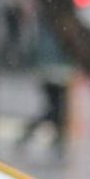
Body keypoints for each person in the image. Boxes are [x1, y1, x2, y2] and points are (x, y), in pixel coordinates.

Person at [17, 14, 73, 154]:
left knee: (56, 108)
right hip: (57, 69)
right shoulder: (60, 20)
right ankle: (53, 140)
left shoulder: (46, 19)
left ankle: (57, 142)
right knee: (57, 109)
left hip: (51, 68)